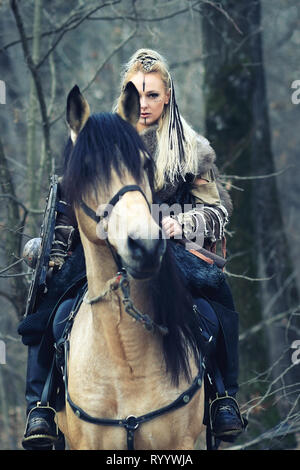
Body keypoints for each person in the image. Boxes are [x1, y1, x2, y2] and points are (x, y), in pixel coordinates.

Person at [19, 49, 246, 449]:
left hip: (168, 246)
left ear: (168, 97)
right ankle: (41, 406)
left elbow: (216, 211)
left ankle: (222, 398)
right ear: (127, 95)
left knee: (212, 307)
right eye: (138, 94)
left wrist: (183, 223)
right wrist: (54, 249)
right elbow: (75, 202)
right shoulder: (101, 137)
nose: (145, 104)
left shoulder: (192, 149)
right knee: (52, 310)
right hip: (106, 246)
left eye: (154, 95)